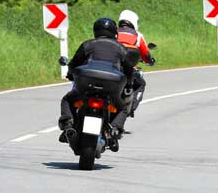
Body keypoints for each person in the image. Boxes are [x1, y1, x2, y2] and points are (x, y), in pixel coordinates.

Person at [58, 18, 135, 146]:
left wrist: (70, 74)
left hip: (87, 82)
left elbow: (74, 63)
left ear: (95, 31)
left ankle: (68, 123)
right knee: (122, 109)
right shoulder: (121, 48)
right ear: (114, 32)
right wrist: (129, 83)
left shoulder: (88, 44)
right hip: (112, 84)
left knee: (68, 99)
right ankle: (115, 129)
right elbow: (129, 71)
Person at [113, 9, 155, 133]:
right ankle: (130, 108)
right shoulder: (138, 35)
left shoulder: (113, 32)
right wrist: (150, 61)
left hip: (111, 67)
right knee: (141, 84)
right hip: (127, 71)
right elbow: (146, 54)